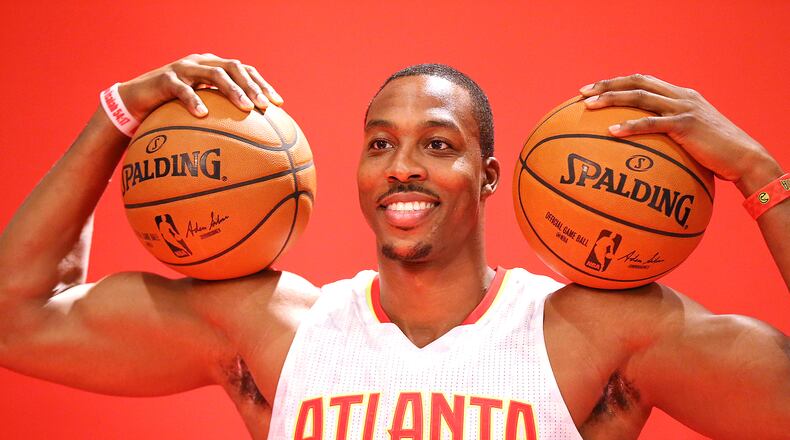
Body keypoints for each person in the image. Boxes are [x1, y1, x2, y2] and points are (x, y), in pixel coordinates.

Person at [0, 53, 787, 439]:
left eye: (437, 145)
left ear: (488, 176)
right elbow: (16, 318)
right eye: (380, 143)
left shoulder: (594, 331)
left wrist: (759, 174)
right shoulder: (274, 328)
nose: (402, 166)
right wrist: (116, 116)